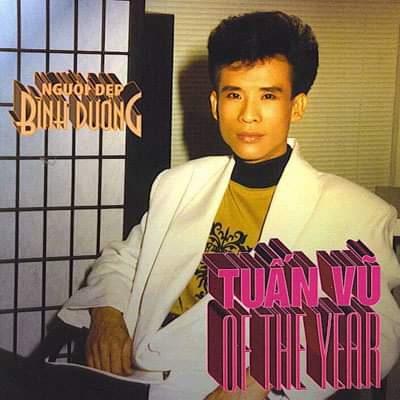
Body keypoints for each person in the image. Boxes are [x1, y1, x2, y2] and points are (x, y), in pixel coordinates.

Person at [58, 10, 400, 400]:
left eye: (268, 96)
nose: (248, 115)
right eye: (234, 94)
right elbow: (124, 260)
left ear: (297, 106)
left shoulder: (354, 211)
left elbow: (376, 336)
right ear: (215, 103)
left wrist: (264, 379)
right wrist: (107, 315)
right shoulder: (178, 184)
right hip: (133, 376)